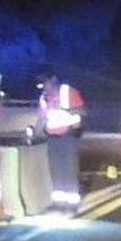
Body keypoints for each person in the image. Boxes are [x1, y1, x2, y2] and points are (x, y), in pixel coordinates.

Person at [37, 66, 86, 213]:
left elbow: (82, 111)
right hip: (52, 138)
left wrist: (69, 114)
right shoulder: (44, 98)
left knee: (69, 169)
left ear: (53, 80)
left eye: (45, 83)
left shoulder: (68, 92)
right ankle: (58, 203)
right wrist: (34, 134)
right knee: (56, 169)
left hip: (69, 137)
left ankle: (72, 204)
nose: (43, 87)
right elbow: (42, 118)